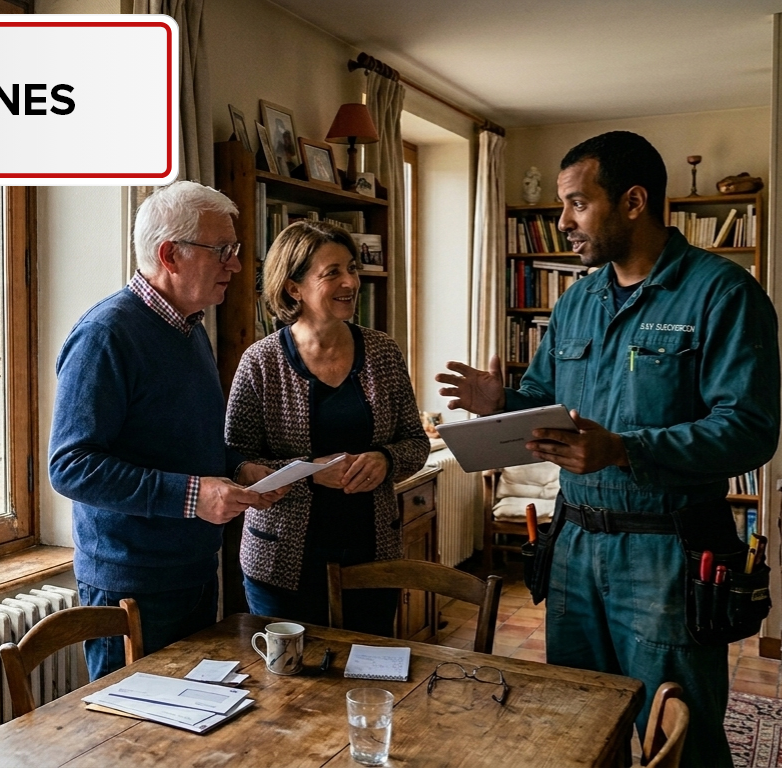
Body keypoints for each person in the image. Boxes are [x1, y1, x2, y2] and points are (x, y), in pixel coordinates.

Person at [436, 131, 780, 767]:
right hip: (572, 552)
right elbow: (542, 404)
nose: (562, 222)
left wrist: (623, 450)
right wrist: (501, 401)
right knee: (577, 724)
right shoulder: (576, 304)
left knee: (681, 734)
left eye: (576, 203)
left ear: (632, 201)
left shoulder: (722, 294)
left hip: (666, 555)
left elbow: (751, 430)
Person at [49, 181, 285, 680]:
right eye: (222, 251)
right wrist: (193, 495)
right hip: (131, 585)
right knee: (133, 747)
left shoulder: (189, 327)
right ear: (169, 255)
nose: (237, 265)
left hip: (193, 570)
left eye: (235, 251)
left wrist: (236, 469)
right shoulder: (105, 334)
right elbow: (71, 467)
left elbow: (176, 441)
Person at [226, 220, 429, 635]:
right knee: (287, 692)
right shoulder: (260, 362)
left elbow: (416, 442)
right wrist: (311, 473)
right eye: (332, 272)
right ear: (293, 287)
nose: (350, 281)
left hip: (373, 556)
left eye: (351, 268)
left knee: (369, 675)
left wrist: (385, 459)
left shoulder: (383, 352)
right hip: (281, 564)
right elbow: (235, 460)